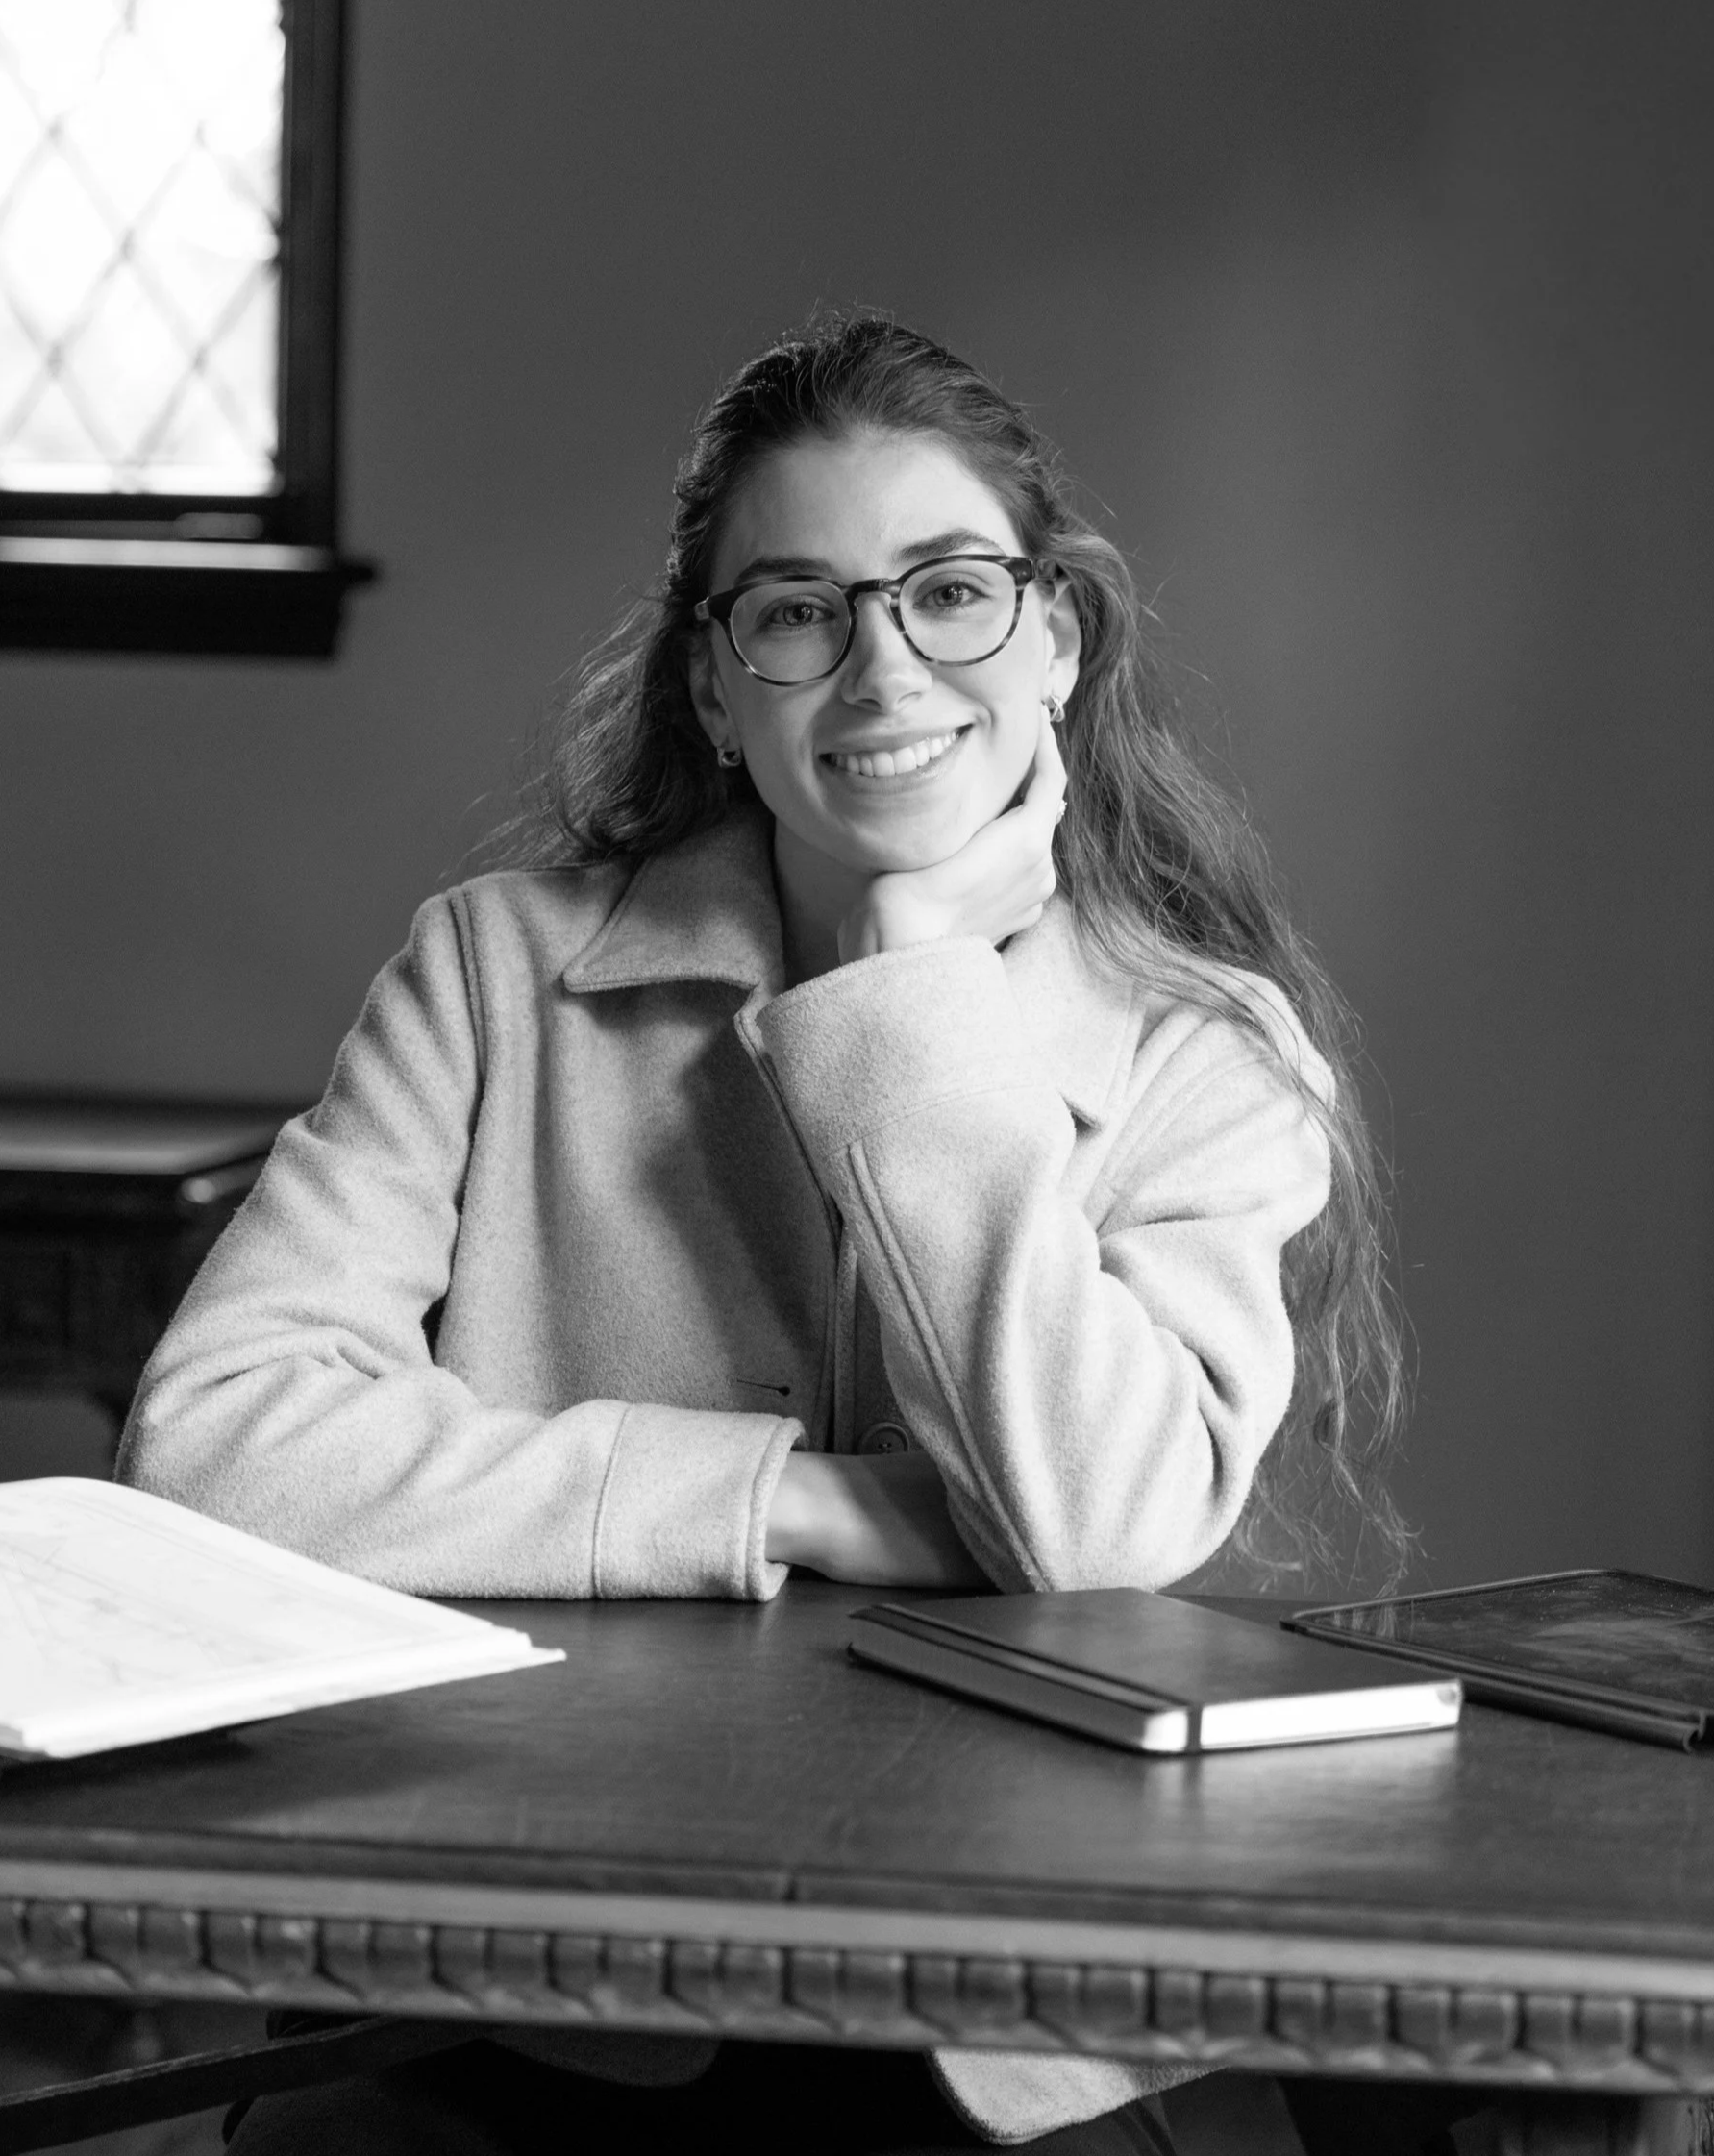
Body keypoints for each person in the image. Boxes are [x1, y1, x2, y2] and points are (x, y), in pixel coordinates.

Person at [120, 313, 1407, 2154]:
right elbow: (216, 1441)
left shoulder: (1208, 1054)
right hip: (513, 1964)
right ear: (717, 688)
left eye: (950, 592)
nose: (883, 670)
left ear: (1055, 641)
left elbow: (1099, 1524)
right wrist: (789, 1497)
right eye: (799, 611)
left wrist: (914, 988)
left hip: (986, 2006)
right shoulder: (494, 973)